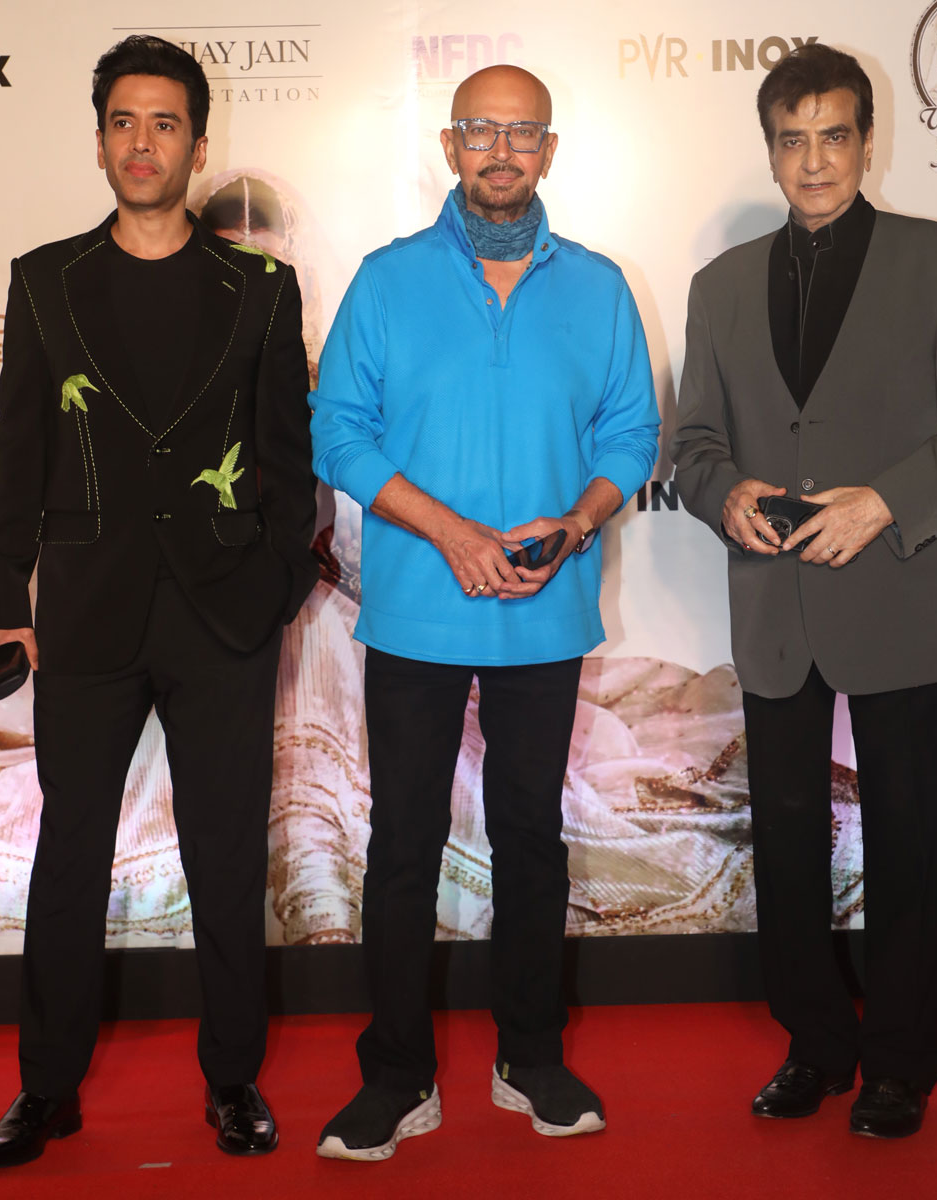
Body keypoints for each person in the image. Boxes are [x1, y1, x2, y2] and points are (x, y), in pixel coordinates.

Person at [0, 34, 316, 1167]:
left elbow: (287, 459)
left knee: (226, 853)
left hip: (224, 615)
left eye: (165, 123)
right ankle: (46, 1091)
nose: (143, 142)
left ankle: (232, 1081)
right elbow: (18, 458)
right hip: (88, 611)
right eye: (124, 121)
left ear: (198, 146)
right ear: (101, 139)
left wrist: (275, 585)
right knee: (69, 852)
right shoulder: (42, 281)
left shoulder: (260, 289)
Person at [670, 43, 937, 1139]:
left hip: (896, 593)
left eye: (833, 136)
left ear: (869, 141)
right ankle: (814, 1046)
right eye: (793, 140)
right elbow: (692, 445)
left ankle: (900, 1063)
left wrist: (888, 502)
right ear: (770, 150)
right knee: (783, 837)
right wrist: (723, 494)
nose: (814, 160)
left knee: (907, 835)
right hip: (774, 609)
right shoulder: (720, 286)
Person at [307, 63, 659, 1160]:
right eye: (479, 130)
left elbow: (631, 433)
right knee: (403, 845)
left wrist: (579, 520)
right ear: (449, 146)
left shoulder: (599, 286)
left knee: (531, 839)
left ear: (548, 149)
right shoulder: (386, 280)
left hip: (544, 611)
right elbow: (336, 431)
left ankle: (531, 1057)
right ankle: (396, 1075)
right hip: (416, 609)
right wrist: (451, 533)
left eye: (521, 132)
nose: (501, 151)